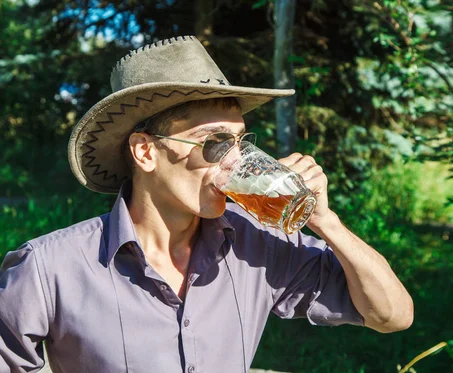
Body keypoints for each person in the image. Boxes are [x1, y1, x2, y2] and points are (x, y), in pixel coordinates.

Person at [0, 35, 413, 373]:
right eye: (215, 144)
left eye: (240, 142)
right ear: (145, 152)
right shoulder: (48, 267)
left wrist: (326, 222)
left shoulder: (256, 244)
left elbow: (392, 316)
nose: (235, 161)